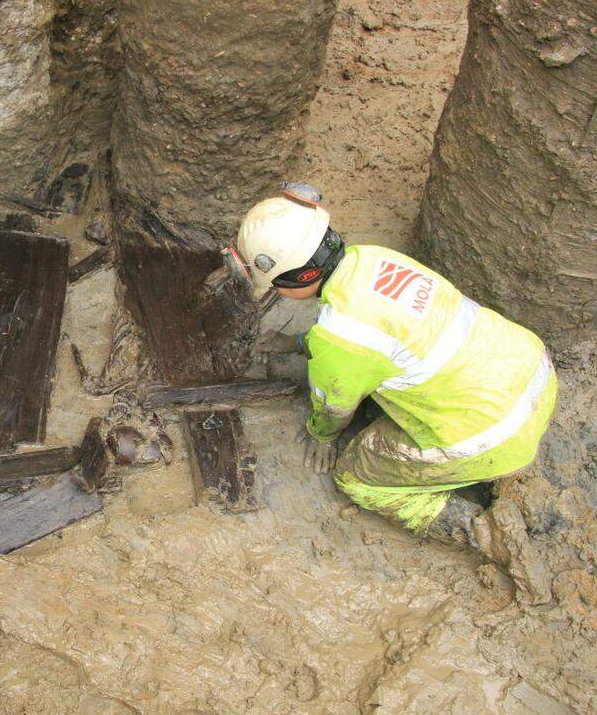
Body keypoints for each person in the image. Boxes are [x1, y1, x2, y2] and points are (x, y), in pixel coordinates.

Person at [225, 183, 557, 604]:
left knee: (358, 480)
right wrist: (309, 344)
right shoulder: (375, 258)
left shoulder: (339, 337)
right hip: (531, 372)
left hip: (487, 434)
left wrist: (321, 435)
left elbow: (334, 405)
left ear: (300, 278)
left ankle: (485, 532)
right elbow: (389, 326)